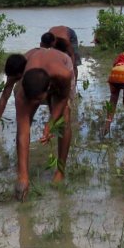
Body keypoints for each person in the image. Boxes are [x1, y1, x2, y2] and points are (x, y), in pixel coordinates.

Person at [15, 46, 74, 200]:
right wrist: (23, 176)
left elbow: (62, 98)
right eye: (32, 101)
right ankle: (23, 174)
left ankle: (60, 170)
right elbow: (23, 132)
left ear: (48, 89)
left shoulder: (64, 74)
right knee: (24, 120)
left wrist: (51, 123)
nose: (35, 104)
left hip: (62, 63)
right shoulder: (22, 93)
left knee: (64, 119)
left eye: (38, 100)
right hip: (37, 77)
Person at [0, 54, 28, 132]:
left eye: (17, 77)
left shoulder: (32, 70)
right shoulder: (13, 71)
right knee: (16, 91)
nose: (15, 79)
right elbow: (4, 97)